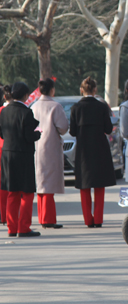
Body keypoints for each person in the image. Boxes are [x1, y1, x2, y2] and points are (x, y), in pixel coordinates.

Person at [70, 77, 116, 228]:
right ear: (95, 90)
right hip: (100, 148)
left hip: (83, 149)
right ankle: (98, 219)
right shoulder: (102, 106)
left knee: (84, 185)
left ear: (81, 90)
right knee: (99, 185)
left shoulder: (76, 107)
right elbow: (108, 129)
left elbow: (73, 131)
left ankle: (88, 220)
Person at [0, 82, 41, 237]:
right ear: (25, 95)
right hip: (23, 155)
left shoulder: (4, 111)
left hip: (7, 154)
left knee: (12, 192)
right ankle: (24, 227)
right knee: (27, 192)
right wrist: (38, 133)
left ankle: (11, 228)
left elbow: (2, 134)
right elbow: (30, 136)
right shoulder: (26, 112)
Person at [31, 78, 69, 229]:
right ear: (52, 90)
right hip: (50, 148)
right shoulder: (55, 106)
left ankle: (43, 217)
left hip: (36, 147)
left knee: (41, 184)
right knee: (48, 186)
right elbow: (63, 128)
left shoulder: (34, 106)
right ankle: (48, 219)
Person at [0, 84, 12, 225]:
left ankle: (3, 215)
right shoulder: (16, 110)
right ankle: (9, 216)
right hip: (10, 148)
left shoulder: (1, 111)